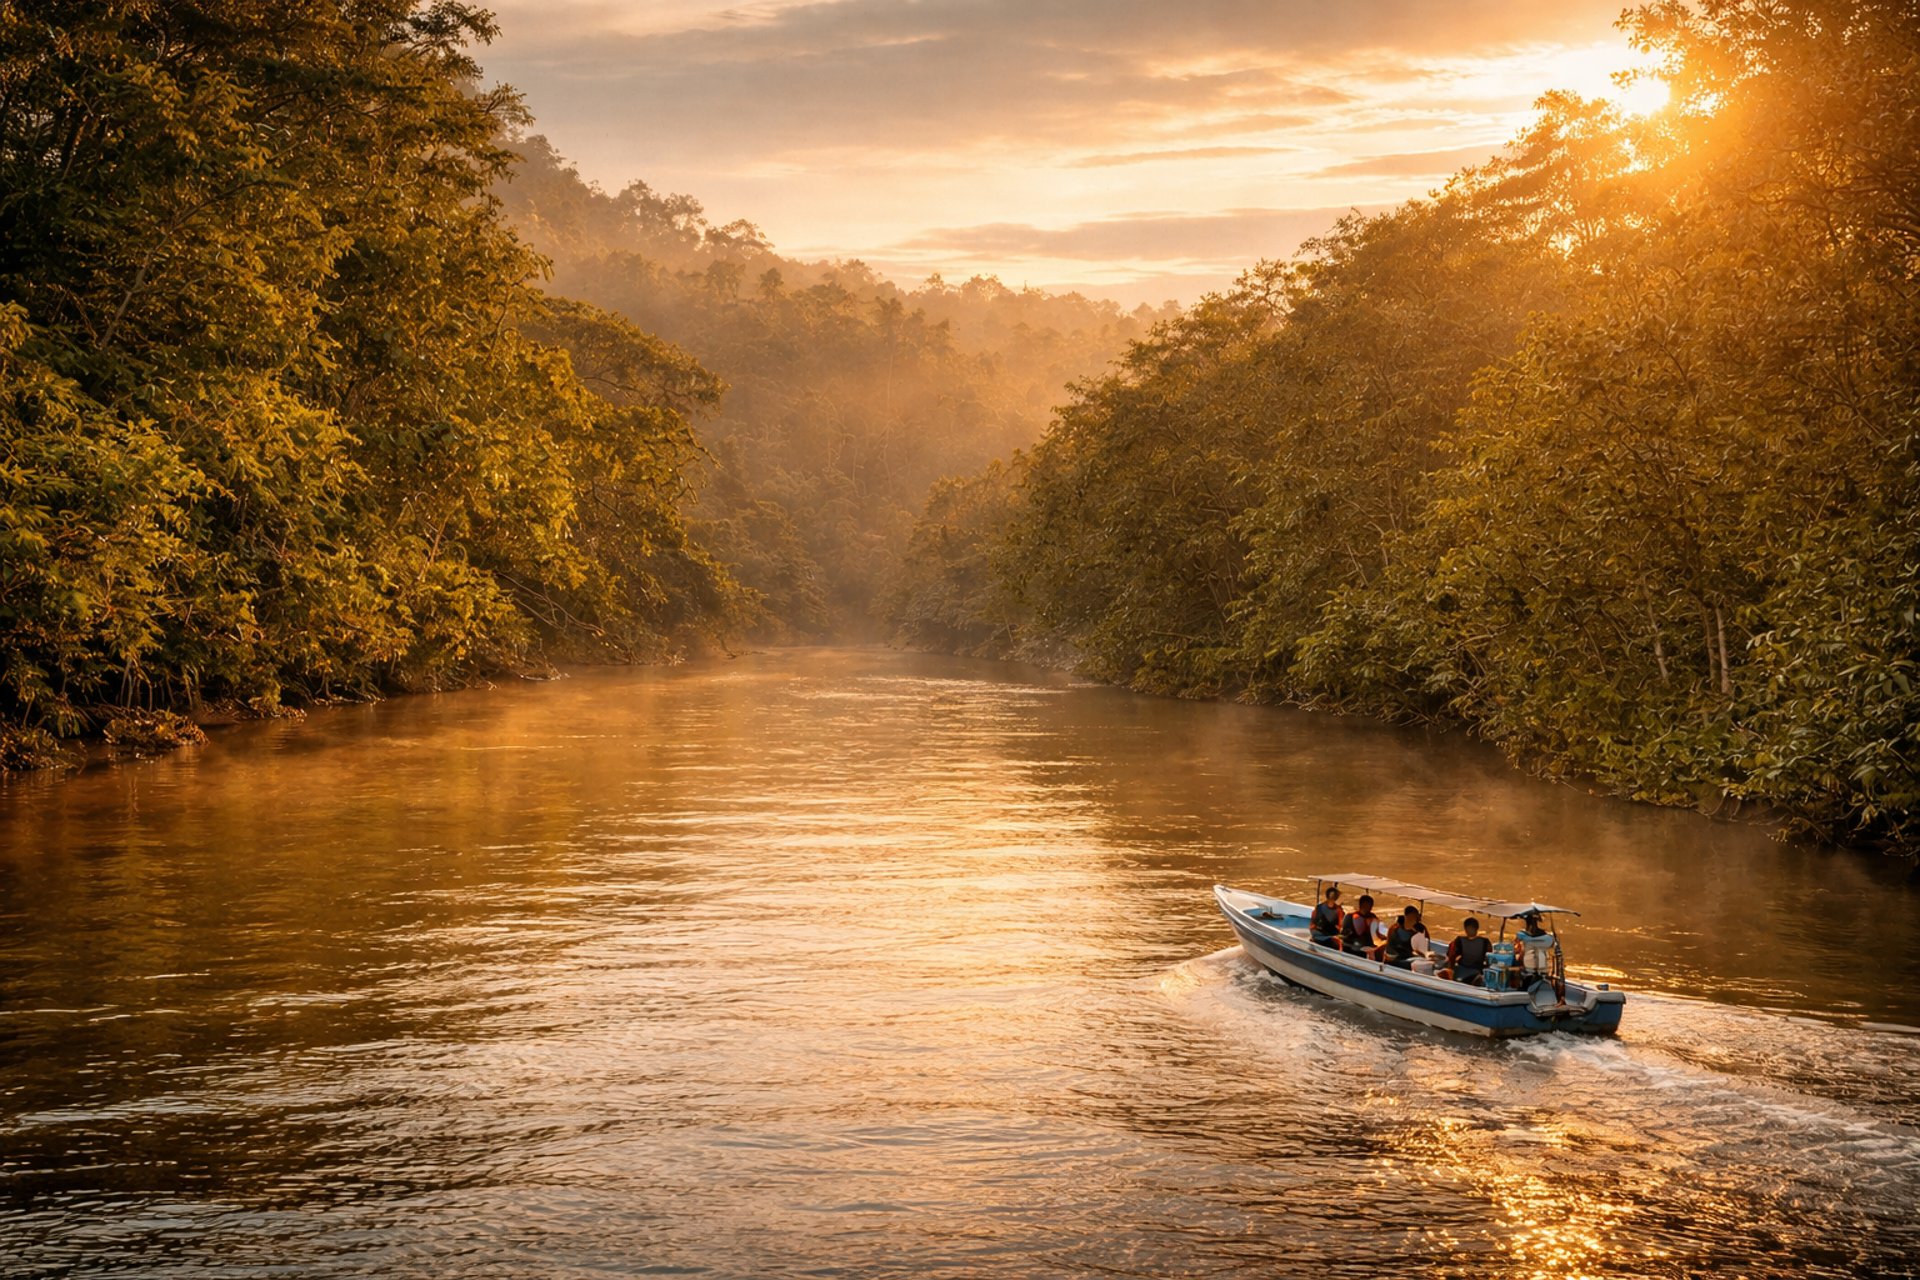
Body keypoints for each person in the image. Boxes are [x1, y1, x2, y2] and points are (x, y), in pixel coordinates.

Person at [1446, 917, 1492, 986]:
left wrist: (1450, 968)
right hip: (1478, 971)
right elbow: (1490, 958)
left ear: (1465, 929)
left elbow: (1451, 955)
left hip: (1462, 971)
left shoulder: (1459, 940)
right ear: (1477, 928)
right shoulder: (1485, 942)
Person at [1342, 895, 1383, 959]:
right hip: (1353, 947)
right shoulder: (1350, 917)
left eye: (1371, 905)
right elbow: (1345, 936)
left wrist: (1384, 938)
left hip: (1368, 947)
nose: (1370, 908)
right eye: (1369, 905)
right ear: (1362, 905)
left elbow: (1376, 933)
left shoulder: (1373, 917)